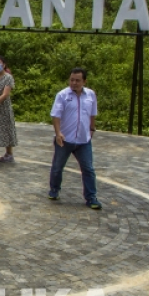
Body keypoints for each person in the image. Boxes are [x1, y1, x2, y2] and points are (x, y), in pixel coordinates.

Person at [49, 68, 101, 209]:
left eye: (77, 80)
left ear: (84, 81)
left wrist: (92, 128)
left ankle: (91, 197)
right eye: (72, 79)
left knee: (88, 169)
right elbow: (56, 115)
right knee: (57, 167)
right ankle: (54, 189)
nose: (74, 83)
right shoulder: (62, 95)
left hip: (84, 140)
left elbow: (92, 113)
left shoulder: (90, 95)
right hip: (65, 139)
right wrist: (58, 132)